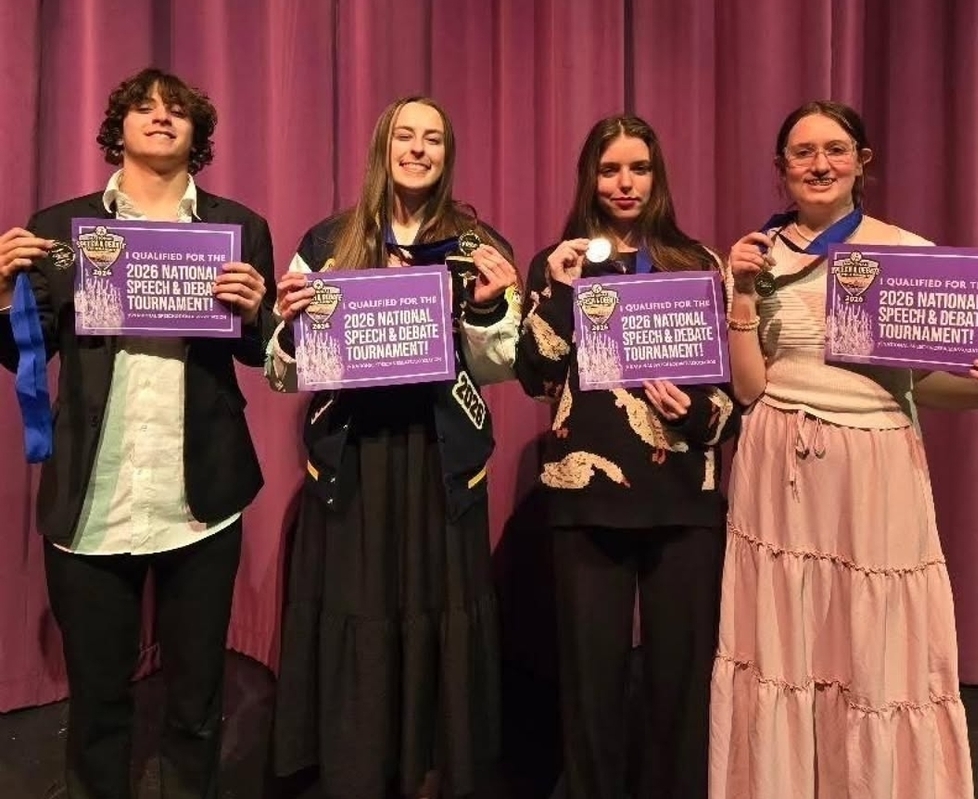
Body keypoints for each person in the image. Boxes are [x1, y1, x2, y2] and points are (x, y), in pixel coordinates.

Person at [0, 67, 276, 799]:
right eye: (144, 107)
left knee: (196, 699)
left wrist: (258, 314)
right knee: (97, 702)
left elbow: (260, 354)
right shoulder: (60, 227)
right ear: (117, 128)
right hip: (93, 499)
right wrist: (1, 296)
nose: (161, 117)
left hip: (202, 501)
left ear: (197, 133)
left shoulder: (240, 228)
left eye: (177, 110)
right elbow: (24, 351)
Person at [711, 99, 978, 798]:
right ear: (781, 168)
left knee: (872, 643)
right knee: (784, 643)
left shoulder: (907, 254)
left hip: (874, 464)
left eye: (835, 150)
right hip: (777, 465)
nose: (820, 164)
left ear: (861, 162)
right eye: (803, 152)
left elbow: (923, 386)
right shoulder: (756, 255)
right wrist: (740, 294)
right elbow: (748, 388)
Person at [266, 95, 520, 799]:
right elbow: (282, 373)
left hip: (441, 459)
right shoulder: (328, 241)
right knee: (361, 612)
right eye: (405, 136)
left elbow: (503, 364)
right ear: (383, 147)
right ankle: (357, 771)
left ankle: (432, 772)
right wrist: (290, 327)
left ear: (447, 154)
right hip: (356, 460)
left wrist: (488, 307)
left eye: (432, 139)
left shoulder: (477, 245)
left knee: (441, 616)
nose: (417, 149)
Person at [515, 115, 739, 799]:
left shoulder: (698, 264)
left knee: (680, 685)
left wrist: (692, 412)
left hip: (683, 498)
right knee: (592, 688)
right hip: (588, 501)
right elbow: (534, 374)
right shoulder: (559, 262)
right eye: (609, 169)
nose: (624, 183)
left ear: (656, 176)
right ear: (590, 177)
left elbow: (731, 401)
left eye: (638, 168)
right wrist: (560, 290)